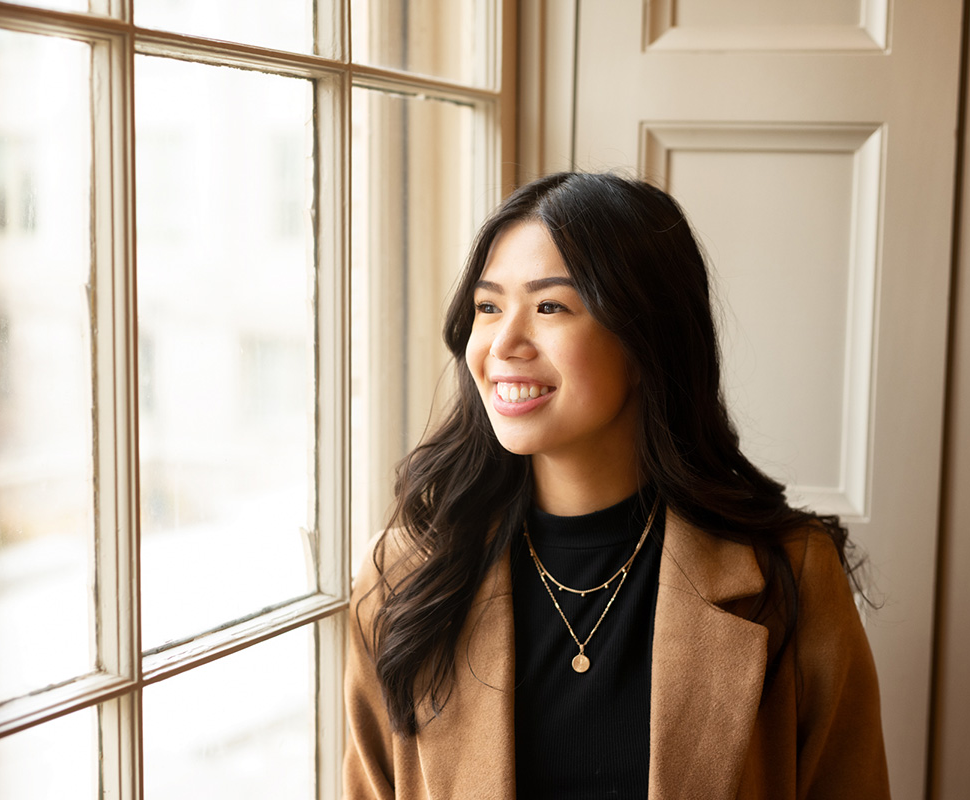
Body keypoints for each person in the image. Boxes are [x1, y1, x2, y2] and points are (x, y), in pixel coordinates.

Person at [343, 172, 890, 799]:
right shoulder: (403, 577)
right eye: (488, 306)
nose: (503, 343)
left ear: (643, 340)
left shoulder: (791, 574)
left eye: (551, 307)